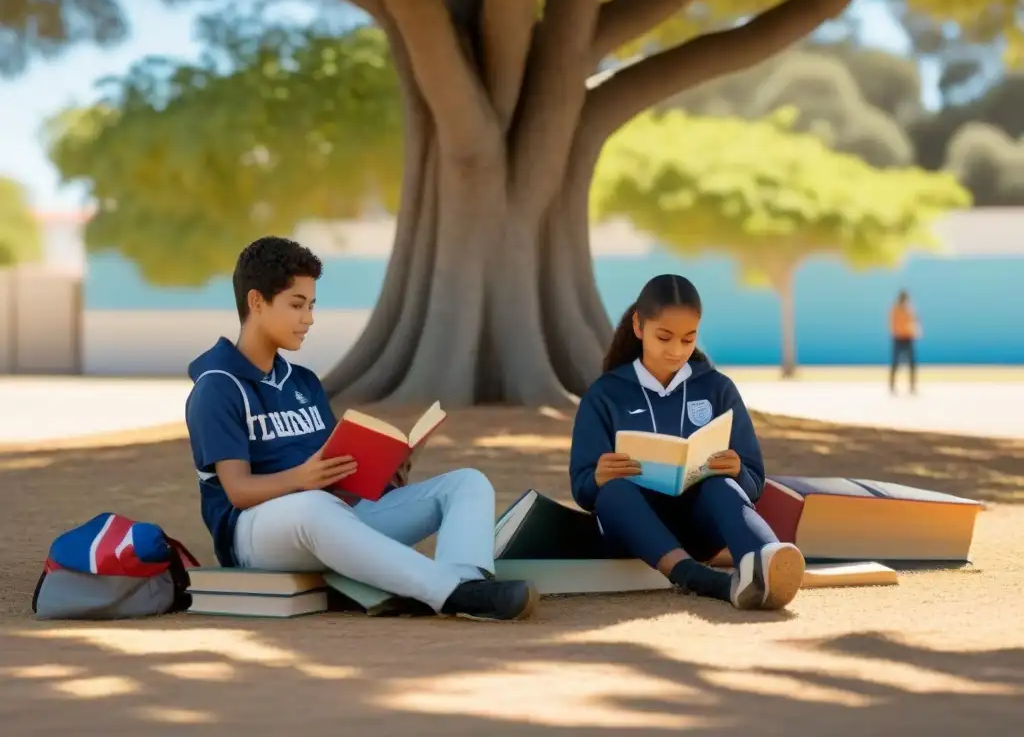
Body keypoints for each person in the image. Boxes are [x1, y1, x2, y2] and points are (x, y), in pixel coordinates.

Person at [184, 236, 537, 621]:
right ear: (256, 302)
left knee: (467, 483)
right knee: (313, 506)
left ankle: (466, 585)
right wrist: (303, 478)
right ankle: (446, 591)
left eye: (312, 305)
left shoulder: (303, 382)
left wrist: (382, 475)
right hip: (255, 535)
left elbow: (334, 475)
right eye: (297, 305)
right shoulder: (218, 386)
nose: (309, 318)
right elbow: (238, 491)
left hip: (331, 518)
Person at [568, 274, 805, 611]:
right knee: (614, 492)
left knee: (721, 485)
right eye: (664, 337)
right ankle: (695, 576)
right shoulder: (604, 395)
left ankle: (768, 563)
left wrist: (737, 470)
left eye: (688, 339)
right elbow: (583, 491)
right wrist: (597, 477)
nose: (676, 351)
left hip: (700, 532)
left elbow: (753, 483)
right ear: (639, 326)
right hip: (634, 533)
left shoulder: (716, 388)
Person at [889, 289, 920, 395]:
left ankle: (912, 387)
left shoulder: (909, 309)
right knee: (895, 363)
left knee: (912, 364)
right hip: (898, 338)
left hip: (908, 338)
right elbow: (893, 324)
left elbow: (915, 321)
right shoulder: (895, 309)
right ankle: (892, 386)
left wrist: (915, 330)